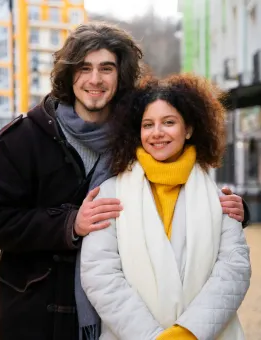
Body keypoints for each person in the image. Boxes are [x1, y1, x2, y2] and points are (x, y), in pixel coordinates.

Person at [0, 22, 248, 340]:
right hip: (36, 313)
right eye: (84, 68)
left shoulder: (135, 134)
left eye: (106, 68)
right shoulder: (23, 138)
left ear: (121, 75)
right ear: (68, 74)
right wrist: (69, 224)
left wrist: (231, 207)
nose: (95, 79)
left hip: (117, 319)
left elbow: (173, 183)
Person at [80, 74, 251, 340]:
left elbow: (233, 270)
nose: (157, 132)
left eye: (169, 122)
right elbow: (99, 274)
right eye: (148, 124)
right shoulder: (111, 192)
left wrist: (186, 333)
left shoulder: (220, 199)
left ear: (189, 129)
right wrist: (152, 337)